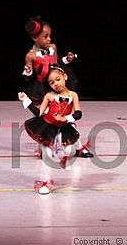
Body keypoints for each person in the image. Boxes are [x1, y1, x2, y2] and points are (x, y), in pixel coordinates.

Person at [21, 16, 92, 159]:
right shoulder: (31, 55)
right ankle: (43, 148)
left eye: (50, 36)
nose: (49, 39)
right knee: (45, 120)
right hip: (43, 88)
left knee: (66, 118)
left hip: (58, 84)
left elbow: (58, 63)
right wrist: (28, 71)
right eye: (45, 36)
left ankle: (78, 147)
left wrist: (67, 59)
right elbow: (28, 76)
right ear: (35, 38)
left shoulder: (53, 48)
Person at [19, 65, 83, 195]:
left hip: (64, 127)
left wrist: (65, 119)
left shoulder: (73, 95)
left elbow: (78, 113)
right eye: (51, 82)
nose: (55, 84)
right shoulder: (49, 96)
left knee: (69, 150)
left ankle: (61, 157)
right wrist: (26, 100)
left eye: (58, 79)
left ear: (65, 76)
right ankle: (46, 181)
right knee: (47, 155)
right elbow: (38, 113)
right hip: (47, 127)